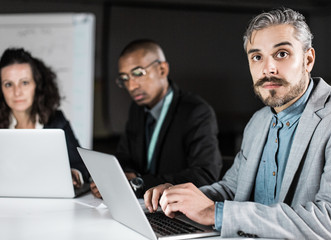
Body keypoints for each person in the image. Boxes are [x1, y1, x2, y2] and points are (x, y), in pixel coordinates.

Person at [144, 8, 331, 239]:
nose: (268, 69)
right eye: (257, 57)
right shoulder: (259, 121)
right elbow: (233, 189)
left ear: (308, 60)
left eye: (282, 54)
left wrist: (215, 213)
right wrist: (180, 198)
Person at [90, 39, 222, 198]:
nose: (131, 86)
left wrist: (139, 183)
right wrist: (118, 177)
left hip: (175, 210)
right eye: (124, 78)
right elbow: (125, 156)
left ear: (162, 69)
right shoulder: (137, 109)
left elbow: (205, 175)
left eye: (138, 73)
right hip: (140, 205)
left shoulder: (196, 112)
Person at [0, 48, 90, 188]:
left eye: (24, 83)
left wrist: (73, 174)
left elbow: (80, 165)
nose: (17, 92)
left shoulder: (56, 120)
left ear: (37, 85)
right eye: (8, 84)